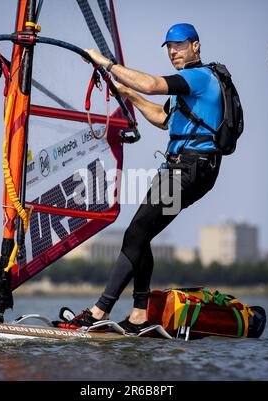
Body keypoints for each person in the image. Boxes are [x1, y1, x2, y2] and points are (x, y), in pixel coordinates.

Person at [56, 23, 223, 334]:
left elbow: (150, 84)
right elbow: (162, 118)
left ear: (196, 46)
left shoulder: (198, 77)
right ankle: (138, 316)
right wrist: (127, 92)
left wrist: (105, 63)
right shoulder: (187, 88)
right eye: (169, 46)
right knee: (140, 234)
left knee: (135, 233)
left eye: (180, 45)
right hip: (183, 168)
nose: (174, 51)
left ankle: (98, 309)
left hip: (189, 169)